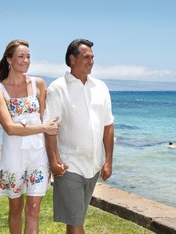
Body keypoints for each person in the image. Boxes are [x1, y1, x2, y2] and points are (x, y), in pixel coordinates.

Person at [44, 39, 115, 234]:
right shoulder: (58, 88)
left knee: (76, 220)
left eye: (92, 58)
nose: (91, 61)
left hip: (93, 165)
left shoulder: (101, 87)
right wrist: (54, 161)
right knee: (76, 223)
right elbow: (50, 128)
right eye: (86, 57)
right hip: (69, 165)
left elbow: (108, 126)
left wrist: (108, 161)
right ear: (72, 59)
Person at [0, 39, 59, 234]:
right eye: (21, 56)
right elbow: (10, 128)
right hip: (14, 155)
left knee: (34, 209)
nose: (26, 60)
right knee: (16, 208)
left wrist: (53, 157)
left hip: (38, 154)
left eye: (28, 57)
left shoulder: (39, 84)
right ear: (9, 60)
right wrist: (42, 127)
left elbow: (46, 120)